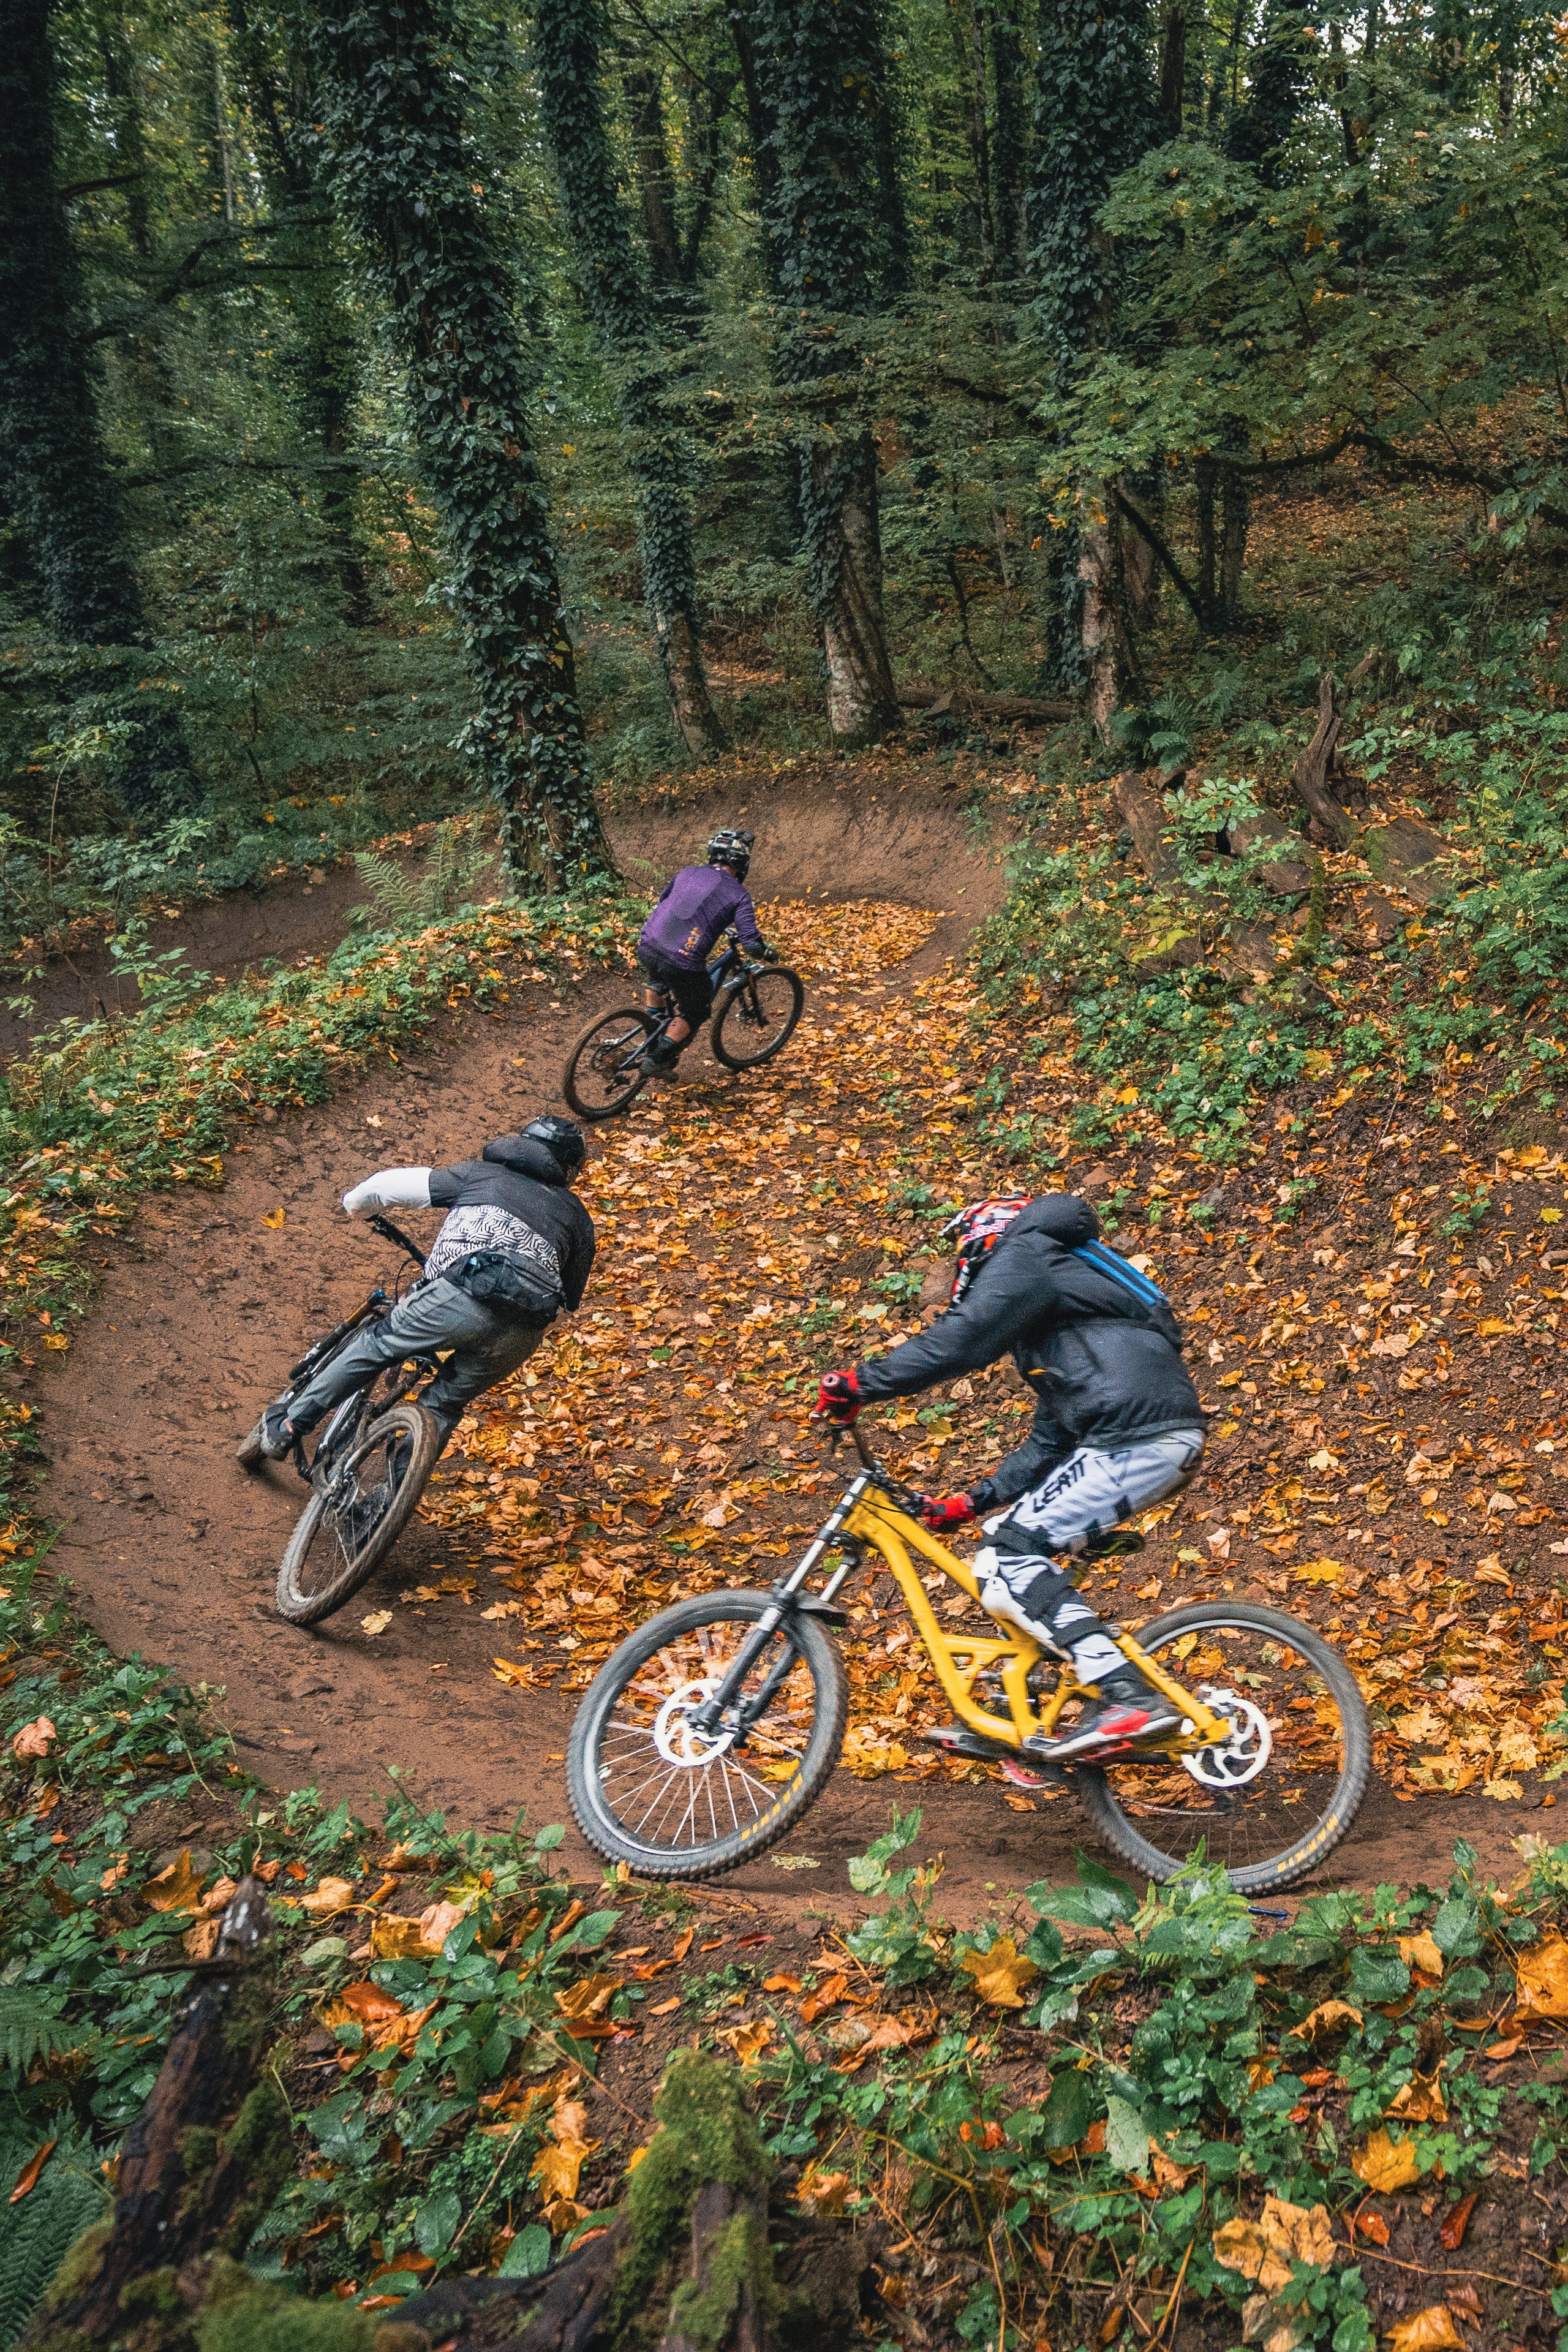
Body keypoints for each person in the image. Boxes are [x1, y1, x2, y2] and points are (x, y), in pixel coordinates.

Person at [815, 1192, 1205, 1759]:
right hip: (1142, 1436)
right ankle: (1023, 1721)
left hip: (1134, 1439)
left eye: (960, 1251)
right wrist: (971, 1502)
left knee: (1009, 1558)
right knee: (1007, 1560)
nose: (958, 1264)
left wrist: (860, 1384)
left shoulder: (1026, 1253)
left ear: (982, 1238)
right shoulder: (1064, 1318)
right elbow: (1051, 1439)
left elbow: (960, 1340)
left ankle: (1128, 1696)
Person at [253, 1115, 595, 1459]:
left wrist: (357, 1207)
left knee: (377, 1346)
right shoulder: (578, 1217)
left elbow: (386, 1187)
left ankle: (290, 1427)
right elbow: (569, 1302)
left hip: (460, 1297)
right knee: (445, 1405)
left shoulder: (482, 1175)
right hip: (523, 1330)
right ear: (570, 1169)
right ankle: (396, 1488)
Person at [635, 829, 772, 1075]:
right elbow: (751, 944)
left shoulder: (687, 872)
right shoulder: (739, 894)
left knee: (658, 980)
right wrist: (765, 953)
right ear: (741, 863)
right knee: (697, 1010)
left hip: (648, 945)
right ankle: (657, 1060)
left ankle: (653, 1028)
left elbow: (664, 902)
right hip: (680, 963)